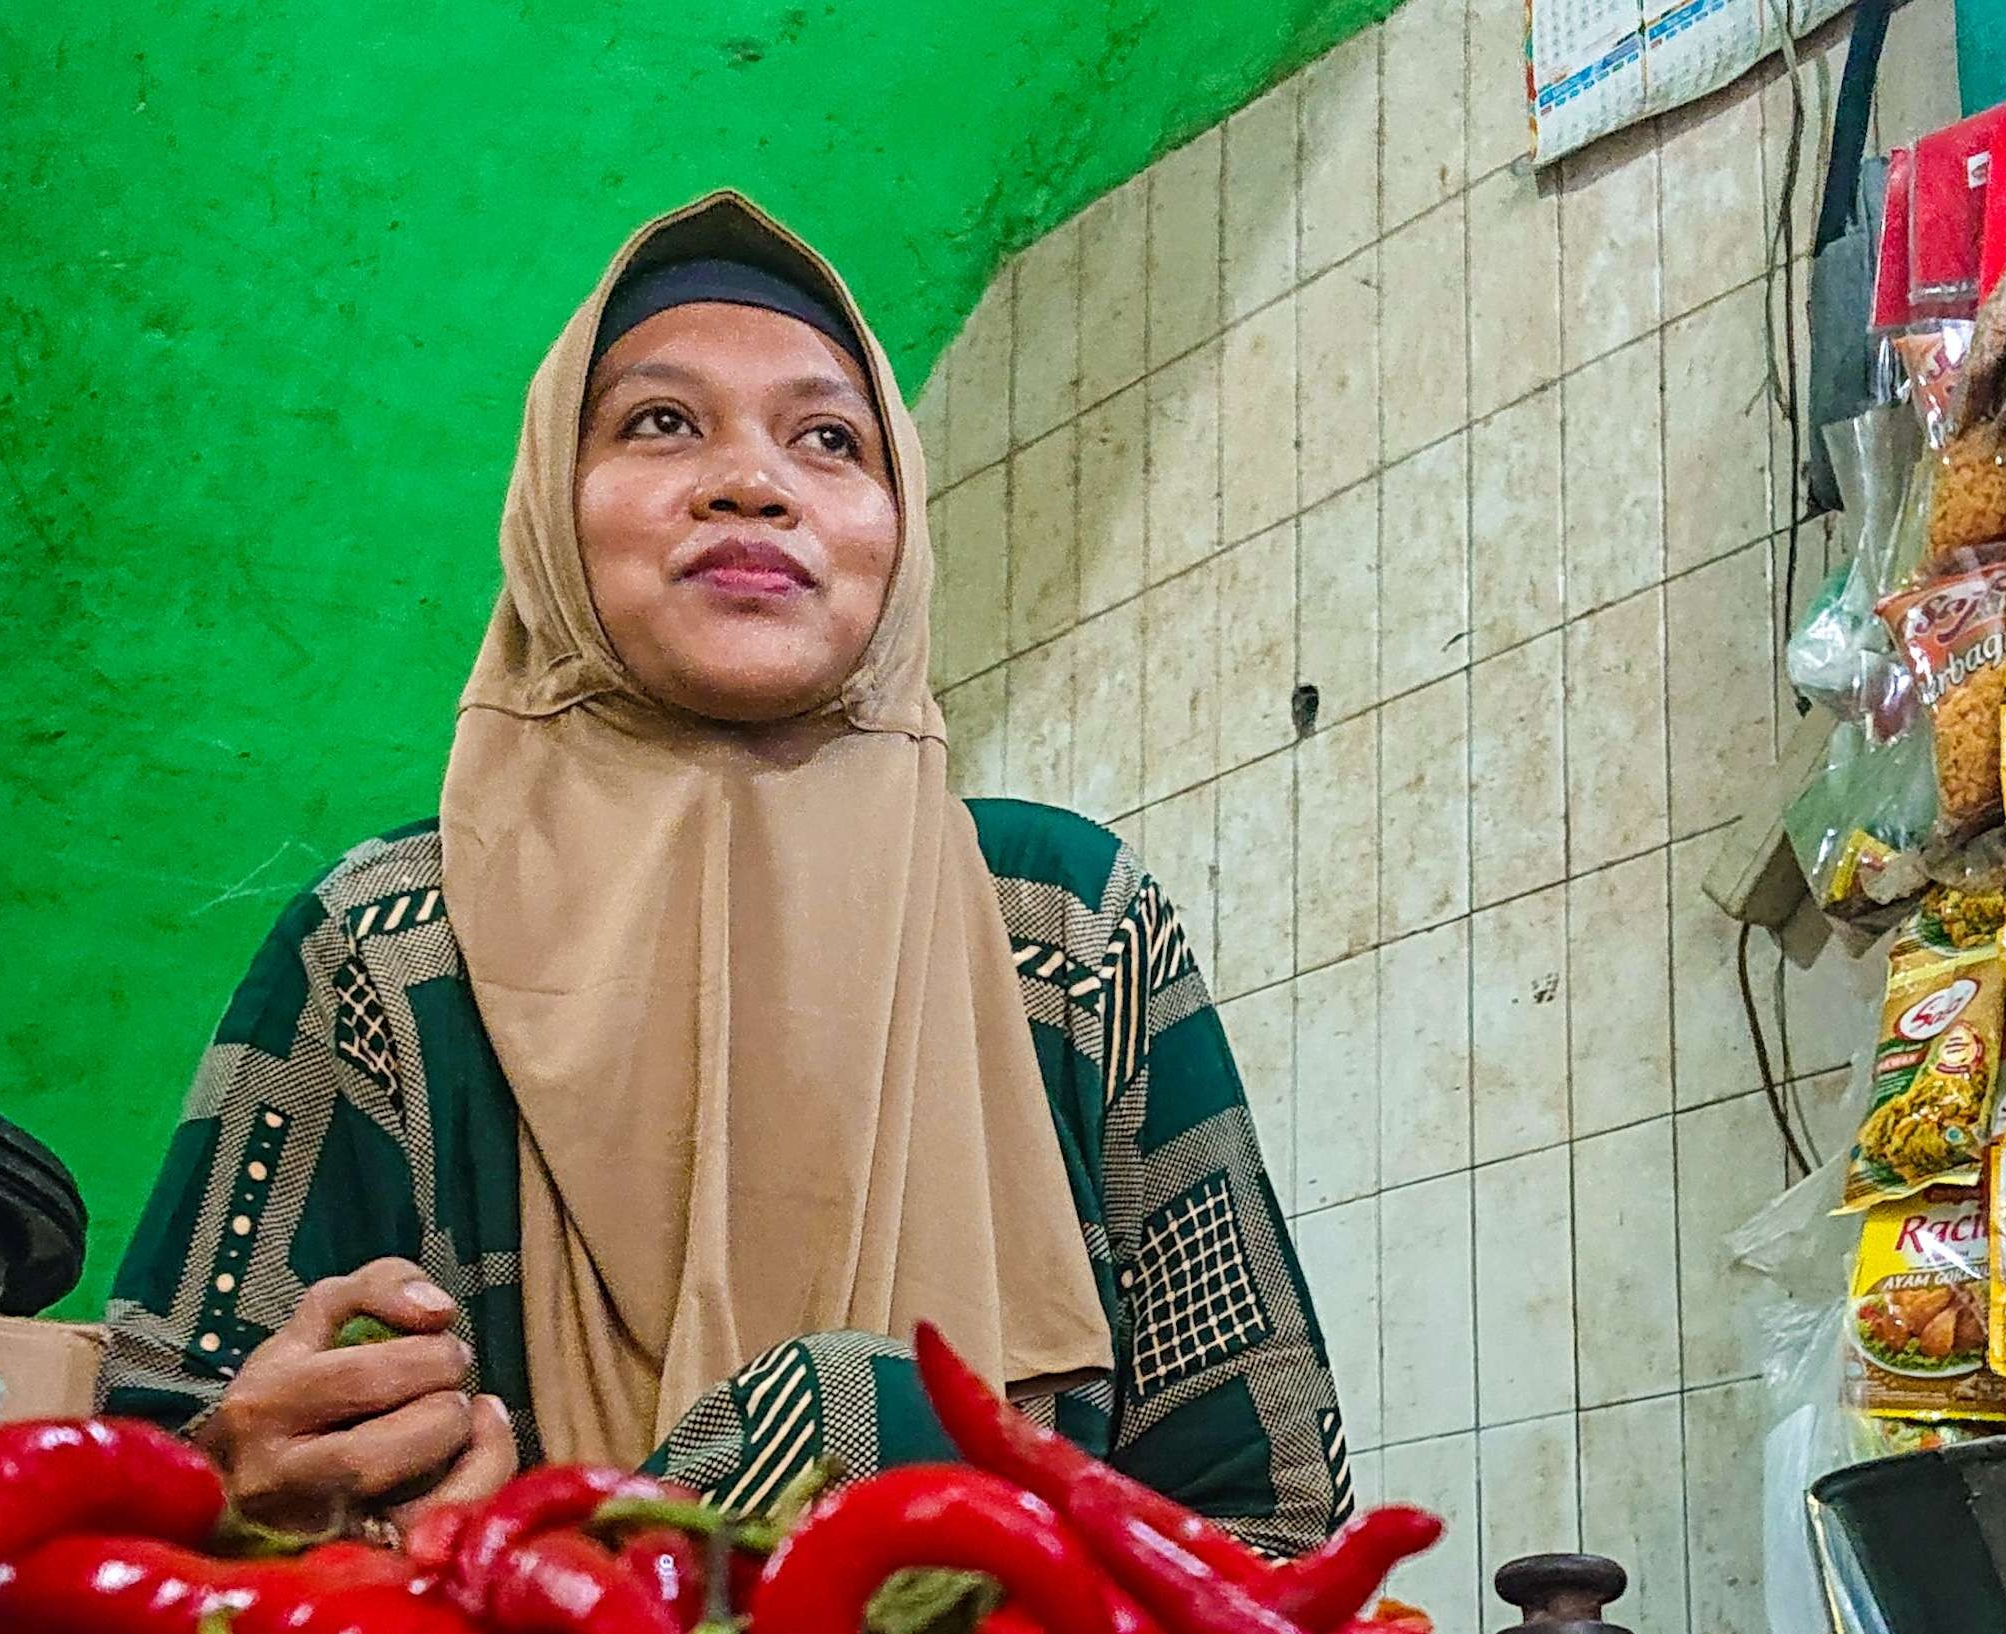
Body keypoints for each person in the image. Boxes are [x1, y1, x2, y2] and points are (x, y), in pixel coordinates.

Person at [104, 191, 1347, 1549]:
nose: (752, 481)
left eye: (829, 438)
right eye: (659, 422)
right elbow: (149, 1471)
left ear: (900, 526)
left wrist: (856, 1447)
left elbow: (1275, 1530)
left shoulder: (1071, 931)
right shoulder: (387, 949)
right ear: (548, 516)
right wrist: (232, 1484)